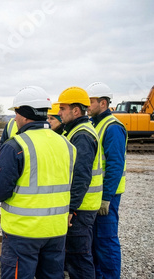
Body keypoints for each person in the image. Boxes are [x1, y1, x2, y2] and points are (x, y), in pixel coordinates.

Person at [0, 86, 76, 279]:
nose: (15, 119)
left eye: (16, 113)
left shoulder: (16, 146)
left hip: (23, 232)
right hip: (56, 231)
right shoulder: (67, 145)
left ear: (25, 115)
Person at [56, 87, 102, 279]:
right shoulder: (74, 131)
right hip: (80, 206)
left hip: (81, 208)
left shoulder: (81, 135)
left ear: (76, 110)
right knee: (75, 256)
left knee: (79, 258)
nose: (59, 113)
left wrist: (71, 209)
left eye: (63, 108)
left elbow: (81, 176)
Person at [86, 82, 127, 279]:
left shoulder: (112, 128)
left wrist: (106, 197)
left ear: (103, 103)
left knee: (106, 240)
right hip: (98, 194)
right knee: (95, 241)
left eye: (91, 102)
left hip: (107, 195)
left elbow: (115, 164)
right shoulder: (97, 124)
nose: (88, 106)